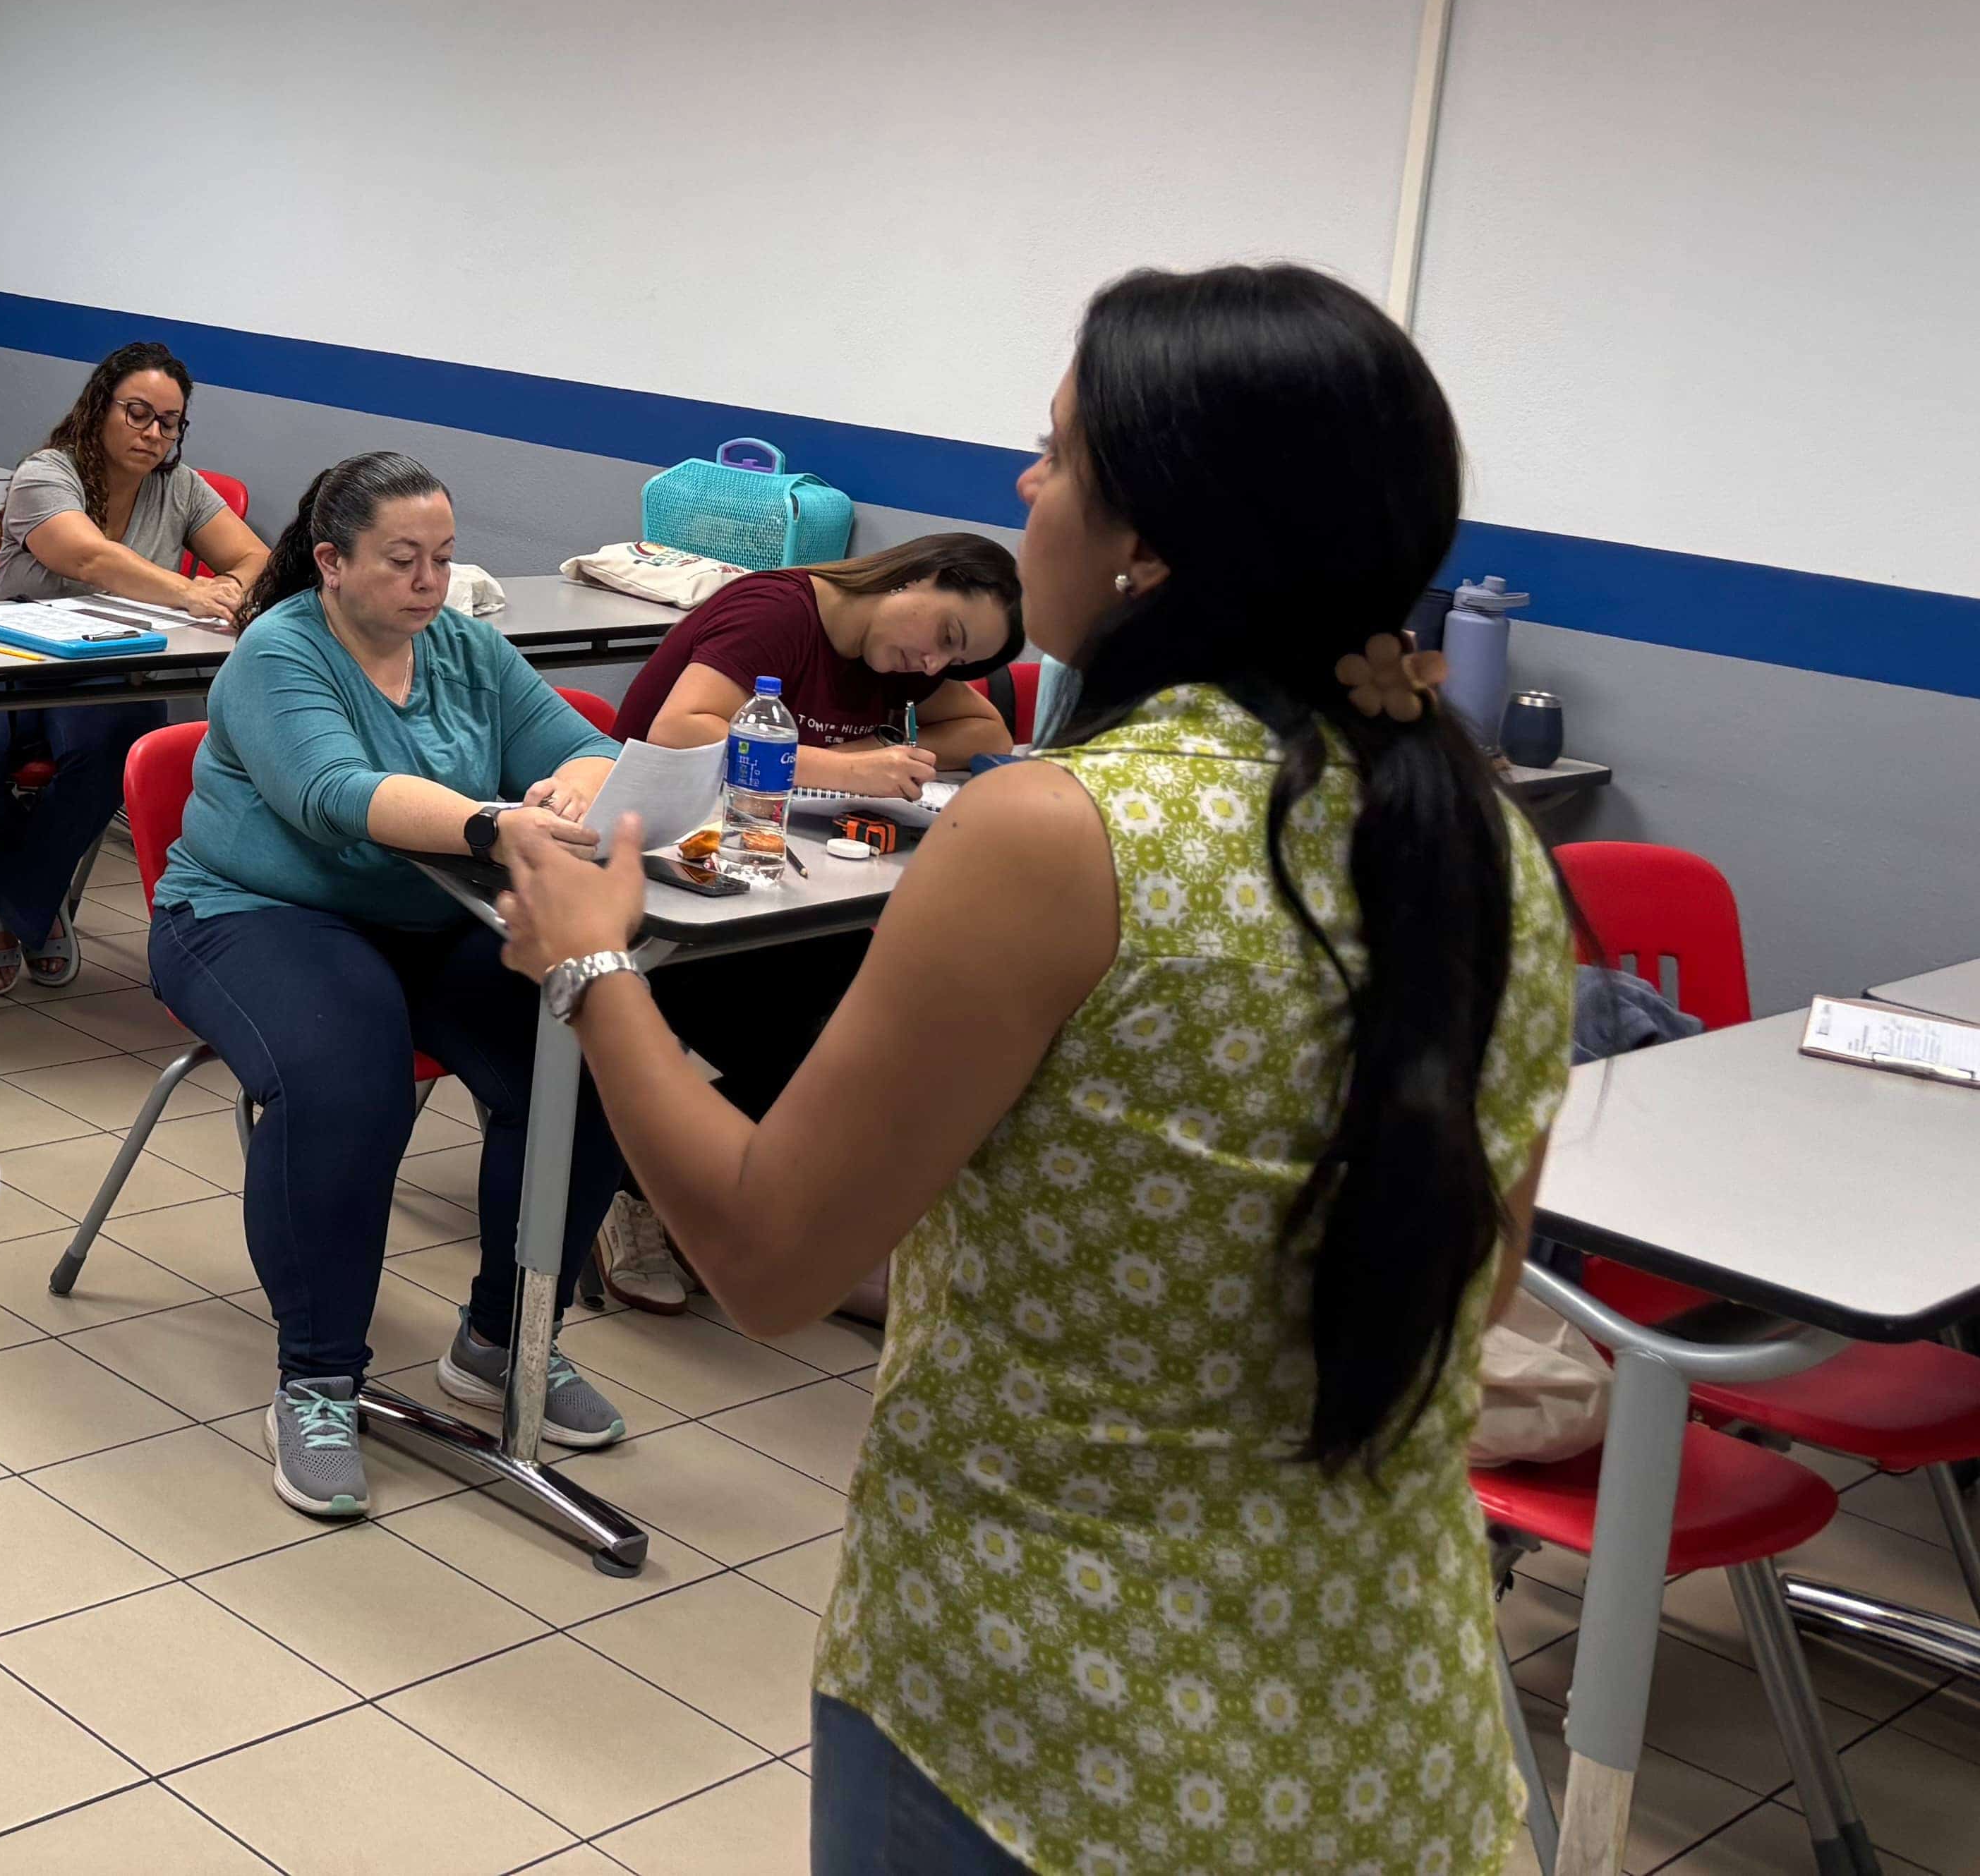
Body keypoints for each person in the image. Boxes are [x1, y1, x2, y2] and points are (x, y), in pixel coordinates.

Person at [496, 265, 1571, 1876]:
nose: (1024, 488)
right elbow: (1467, 1304)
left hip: (1051, 1730)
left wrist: (589, 965)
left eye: (1058, 454)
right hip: (1393, 1731)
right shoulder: (1485, 851)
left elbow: (771, 1255)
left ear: (1154, 539)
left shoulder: (1062, 835)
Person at [147, 449, 634, 1521]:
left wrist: (576, 780)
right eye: (404, 561)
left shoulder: (460, 645)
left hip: (424, 920)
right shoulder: (279, 654)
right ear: (330, 561)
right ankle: (317, 1379)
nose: (430, 584)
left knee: (591, 1052)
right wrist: (493, 822)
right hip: (251, 915)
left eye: (445, 561)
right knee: (348, 1080)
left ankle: (506, 1341)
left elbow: (590, 744)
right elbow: (334, 792)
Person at [592, 533, 1025, 1312]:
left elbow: (987, 735)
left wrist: (881, 743)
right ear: (921, 577)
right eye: (947, 639)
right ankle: (633, 1184)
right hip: (666, 890)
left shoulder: (888, 656)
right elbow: (679, 726)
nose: (934, 669)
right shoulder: (780, 611)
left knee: (901, 1033)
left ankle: (683, 1184)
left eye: (953, 664)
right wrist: (845, 768)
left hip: (779, 890)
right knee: (832, 1051)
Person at [0, 340, 264, 996]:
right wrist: (191, 590)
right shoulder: (47, 473)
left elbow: (256, 560)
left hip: (103, 664)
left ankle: (8, 897)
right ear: (99, 408)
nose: (153, 433)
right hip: (2, 654)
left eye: (169, 422)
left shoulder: (181, 487)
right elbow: (87, 558)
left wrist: (233, 587)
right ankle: (33, 901)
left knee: (124, 743)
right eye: (138, 413)